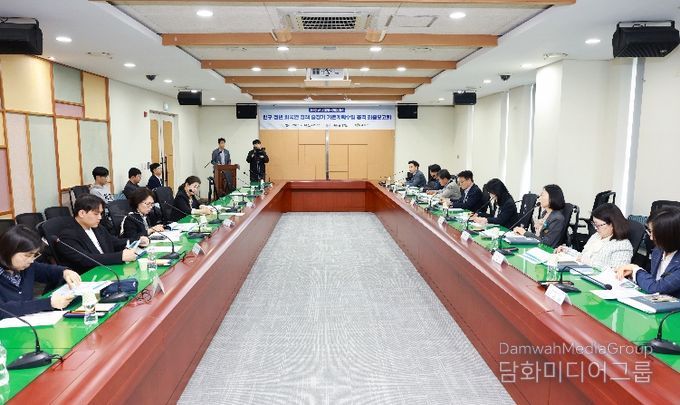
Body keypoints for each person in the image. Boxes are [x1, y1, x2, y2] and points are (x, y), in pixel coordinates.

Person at [0, 225, 81, 319]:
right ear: (8, 251)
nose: (31, 261)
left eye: (34, 255)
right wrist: (48, 303)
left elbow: (47, 271)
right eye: (27, 256)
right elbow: (3, 310)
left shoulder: (26, 266)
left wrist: (65, 272)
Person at [56, 194, 144, 274]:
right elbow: (86, 259)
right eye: (96, 214)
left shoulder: (97, 227)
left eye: (101, 213)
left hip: (109, 270)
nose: (100, 217)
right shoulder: (67, 236)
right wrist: (120, 256)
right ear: (82, 213)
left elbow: (114, 242)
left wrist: (137, 240)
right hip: (90, 276)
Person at [615, 207, 680, 297]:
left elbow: (656, 288)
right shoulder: (658, 250)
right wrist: (632, 273)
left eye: (655, 233)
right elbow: (653, 280)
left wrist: (635, 270)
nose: (651, 238)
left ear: (669, 236)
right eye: (650, 231)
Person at [555, 203, 633, 271]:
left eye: (598, 225)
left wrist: (590, 263)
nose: (595, 228)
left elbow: (616, 272)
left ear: (612, 224)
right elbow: (582, 257)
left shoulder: (622, 245)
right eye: (594, 224)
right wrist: (567, 251)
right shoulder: (596, 236)